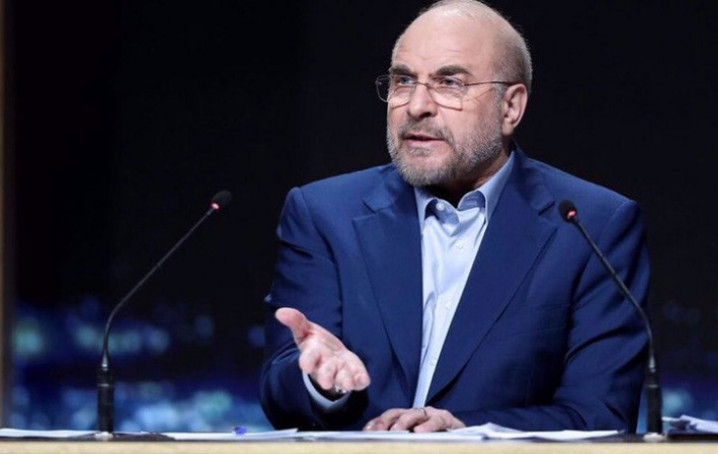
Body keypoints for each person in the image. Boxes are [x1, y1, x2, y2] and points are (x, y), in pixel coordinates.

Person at [260, 0, 650, 433]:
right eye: (404, 81)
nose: (416, 106)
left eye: (449, 83)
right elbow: (280, 391)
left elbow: (599, 415)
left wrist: (465, 430)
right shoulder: (323, 214)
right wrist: (321, 383)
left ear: (510, 108)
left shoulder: (593, 226)